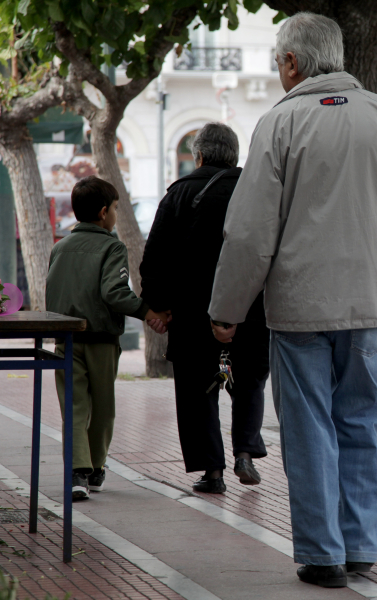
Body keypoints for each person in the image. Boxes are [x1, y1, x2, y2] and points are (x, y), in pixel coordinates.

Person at [207, 12, 377, 589]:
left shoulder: (281, 122)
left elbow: (250, 232)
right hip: (371, 306)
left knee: (309, 428)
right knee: (360, 421)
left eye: (276, 61)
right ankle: (360, 544)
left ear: (291, 62)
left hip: (301, 306)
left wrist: (226, 309)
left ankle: (322, 554)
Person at [140, 122, 269, 495]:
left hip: (194, 314)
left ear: (198, 155)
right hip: (250, 312)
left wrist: (160, 307)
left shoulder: (180, 194)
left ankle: (213, 472)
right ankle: (245, 449)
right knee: (246, 380)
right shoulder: (255, 191)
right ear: (235, 156)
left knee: (199, 391)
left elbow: (154, 259)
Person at [46, 176, 169, 500]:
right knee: (102, 408)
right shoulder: (112, 246)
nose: (116, 213)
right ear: (103, 212)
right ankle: (96, 468)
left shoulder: (60, 247)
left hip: (64, 339)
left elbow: (52, 291)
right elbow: (114, 292)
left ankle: (77, 473)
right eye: (115, 208)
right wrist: (149, 313)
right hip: (100, 340)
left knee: (74, 407)